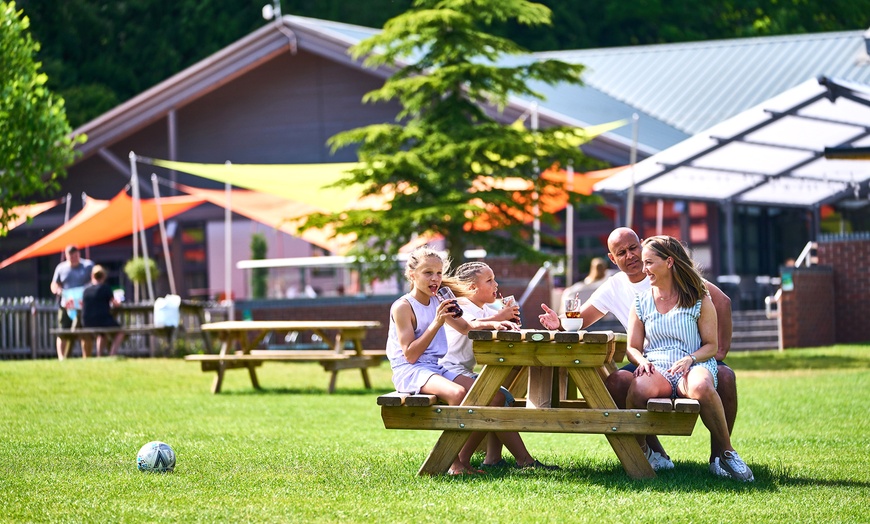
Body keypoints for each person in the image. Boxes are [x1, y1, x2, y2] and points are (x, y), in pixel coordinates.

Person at [539, 227, 738, 477]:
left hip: (690, 356)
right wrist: (558, 323)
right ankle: (654, 452)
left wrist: (719, 351)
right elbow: (581, 319)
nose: (630, 256)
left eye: (633, 247)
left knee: (726, 377)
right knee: (616, 382)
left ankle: (720, 455)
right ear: (612, 259)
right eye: (621, 252)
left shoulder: (664, 269)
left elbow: (722, 301)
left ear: (642, 244)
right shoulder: (614, 286)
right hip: (647, 359)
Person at [625, 235, 753, 481]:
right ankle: (641, 450)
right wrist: (642, 362)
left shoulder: (699, 297)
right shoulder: (641, 302)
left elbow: (711, 346)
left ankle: (726, 453)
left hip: (693, 363)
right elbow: (632, 347)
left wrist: (690, 360)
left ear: (669, 262)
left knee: (702, 386)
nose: (644, 269)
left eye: (649, 262)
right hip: (657, 365)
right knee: (639, 387)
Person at [386, 246, 514, 475]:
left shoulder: (440, 299)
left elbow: (465, 328)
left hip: (435, 367)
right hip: (411, 370)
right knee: (457, 394)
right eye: (428, 273)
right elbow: (410, 355)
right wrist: (437, 322)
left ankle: (465, 459)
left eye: (438, 273)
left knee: (492, 396)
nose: (435, 279)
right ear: (412, 274)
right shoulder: (403, 306)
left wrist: (493, 323)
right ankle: (453, 463)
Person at [440, 261, 559, 470]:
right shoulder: (461, 306)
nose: (496, 284)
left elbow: (491, 327)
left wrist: (508, 322)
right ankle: (522, 461)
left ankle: (493, 458)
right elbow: (470, 327)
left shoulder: (484, 308)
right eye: (489, 280)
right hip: (447, 371)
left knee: (503, 395)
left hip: (462, 371)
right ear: (471, 287)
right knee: (494, 398)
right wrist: (499, 318)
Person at [50, 245, 95, 359]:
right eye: (71, 256)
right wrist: (58, 290)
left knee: (85, 331)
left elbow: (95, 280)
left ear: (79, 254)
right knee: (63, 331)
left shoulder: (88, 265)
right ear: (66, 256)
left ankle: (87, 358)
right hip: (67, 304)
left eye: (76, 256)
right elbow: (54, 284)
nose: (74, 258)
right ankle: (62, 358)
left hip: (84, 304)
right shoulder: (61, 268)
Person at [81, 265, 125, 357]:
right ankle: (112, 354)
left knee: (102, 334)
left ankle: (99, 356)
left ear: (92, 276)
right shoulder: (106, 288)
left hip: (86, 322)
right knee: (120, 332)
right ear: (104, 276)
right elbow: (115, 303)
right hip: (102, 320)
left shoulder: (85, 289)